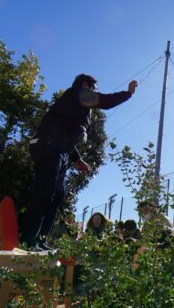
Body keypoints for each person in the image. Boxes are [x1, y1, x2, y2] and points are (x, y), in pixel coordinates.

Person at [20, 74, 137, 250]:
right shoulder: (76, 93)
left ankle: (39, 239)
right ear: (85, 85)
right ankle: (27, 239)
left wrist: (77, 159)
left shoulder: (74, 109)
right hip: (47, 146)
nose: (95, 93)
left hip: (59, 150)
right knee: (44, 192)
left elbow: (65, 135)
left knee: (57, 196)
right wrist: (127, 94)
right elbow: (103, 101)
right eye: (94, 89)